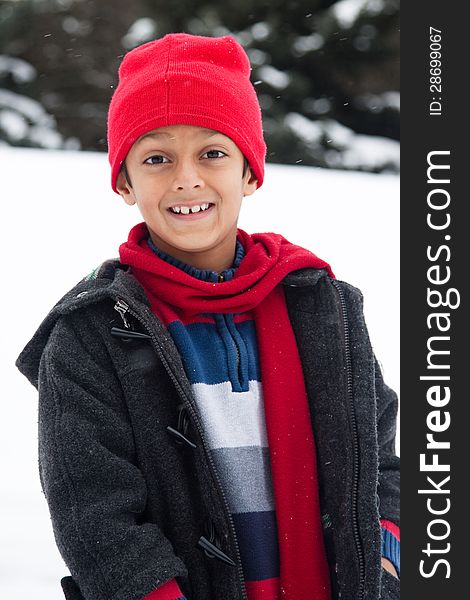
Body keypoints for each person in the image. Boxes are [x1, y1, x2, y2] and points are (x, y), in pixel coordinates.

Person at [15, 32, 400, 600]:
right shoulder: (90, 334)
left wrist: (386, 560)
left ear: (249, 170)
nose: (186, 179)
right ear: (124, 181)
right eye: (157, 158)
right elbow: (95, 517)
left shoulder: (323, 308)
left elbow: (381, 467)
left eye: (213, 153)